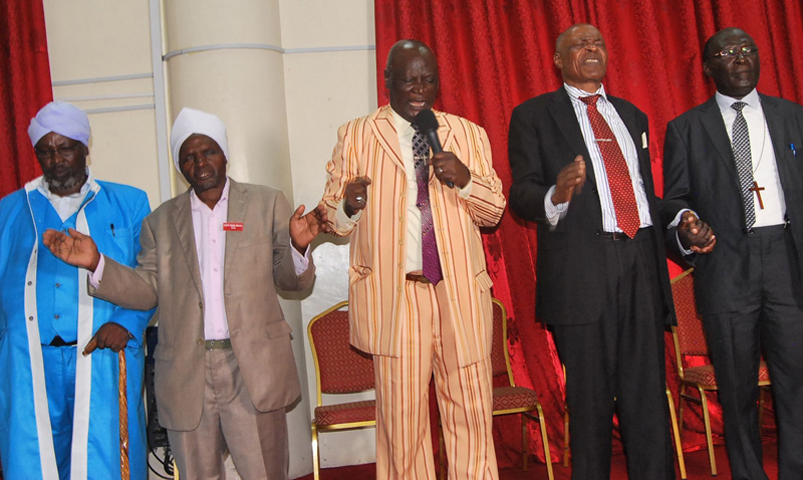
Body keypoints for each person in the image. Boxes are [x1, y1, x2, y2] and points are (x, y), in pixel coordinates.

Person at [43, 107, 322, 479]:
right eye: (188, 157)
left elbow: (289, 280)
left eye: (208, 151)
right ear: (181, 166)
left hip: (253, 368)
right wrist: (97, 263)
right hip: (187, 374)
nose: (200, 162)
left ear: (224, 154)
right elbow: (147, 291)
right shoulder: (159, 222)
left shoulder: (265, 203)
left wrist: (298, 249)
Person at [319, 40, 506, 479]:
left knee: (472, 414)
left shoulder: (467, 133)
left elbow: (494, 211)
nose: (419, 89)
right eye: (409, 79)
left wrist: (465, 180)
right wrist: (347, 205)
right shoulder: (357, 134)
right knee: (402, 425)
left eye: (428, 79)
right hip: (397, 295)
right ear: (387, 82)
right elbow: (331, 217)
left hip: (459, 289)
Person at [508, 24, 677, 479]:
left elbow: (642, 193)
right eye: (579, 44)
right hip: (582, 269)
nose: (592, 49)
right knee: (591, 400)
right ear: (559, 60)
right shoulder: (534, 115)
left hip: (640, 259)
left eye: (599, 42)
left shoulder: (632, 115)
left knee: (647, 392)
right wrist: (556, 193)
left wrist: (678, 220)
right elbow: (520, 194)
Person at [662, 27, 803, 480]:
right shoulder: (685, 128)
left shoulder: (792, 116)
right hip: (726, 265)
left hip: (786, 259)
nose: (740, 58)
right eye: (727, 53)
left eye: (748, 50)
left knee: (796, 382)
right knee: (738, 389)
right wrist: (686, 222)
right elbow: (675, 198)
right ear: (708, 69)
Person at [0, 101, 153, 479]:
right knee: (32, 460)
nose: (57, 160)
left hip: (101, 355)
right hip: (30, 362)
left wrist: (128, 324)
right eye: (46, 151)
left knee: (102, 461)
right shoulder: (9, 211)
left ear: (85, 147)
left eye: (66, 148)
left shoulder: (128, 203)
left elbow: (151, 277)